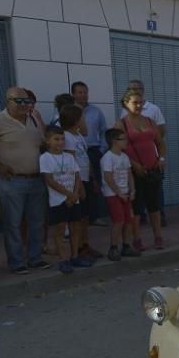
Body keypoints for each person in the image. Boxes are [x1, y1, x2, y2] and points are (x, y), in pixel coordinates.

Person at [0, 86, 48, 275]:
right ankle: (16, 262)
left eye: (27, 101)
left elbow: (44, 143)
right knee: (13, 224)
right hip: (12, 181)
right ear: (7, 101)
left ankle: (35, 258)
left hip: (36, 179)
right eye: (19, 101)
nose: (25, 105)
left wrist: (40, 121)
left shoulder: (33, 118)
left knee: (37, 222)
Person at [114, 90, 165, 251]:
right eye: (135, 102)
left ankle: (158, 237)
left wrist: (161, 159)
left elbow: (160, 142)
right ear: (126, 104)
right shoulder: (121, 124)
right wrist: (134, 164)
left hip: (152, 168)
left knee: (154, 206)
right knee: (136, 207)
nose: (138, 105)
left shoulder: (150, 121)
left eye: (141, 102)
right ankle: (136, 238)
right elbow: (118, 148)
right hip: (132, 171)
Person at [39, 126, 89, 275]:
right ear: (48, 141)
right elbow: (49, 180)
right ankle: (63, 259)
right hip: (58, 200)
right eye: (56, 139)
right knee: (60, 229)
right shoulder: (45, 158)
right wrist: (68, 194)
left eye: (62, 139)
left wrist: (75, 193)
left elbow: (77, 176)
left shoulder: (69, 157)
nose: (60, 142)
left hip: (73, 199)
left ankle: (74, 256)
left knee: (75, 227)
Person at [122, 79, 168, 227]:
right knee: (136, 196)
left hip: (152, 161)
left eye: (136, 88)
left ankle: (160, 217)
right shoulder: (123, 115)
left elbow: (161, 133)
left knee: (155, 194)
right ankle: (139, 221)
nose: (134, 90)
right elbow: (122, 143)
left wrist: (160, 157)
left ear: (143, 89)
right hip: (134, 164)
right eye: (130, 88)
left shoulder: (153, 109)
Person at [59, 104, 100, 263]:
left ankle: (85, 245)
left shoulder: (78, 135)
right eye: (82, 118)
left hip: (86, 178)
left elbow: (85, 159)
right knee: (78, 217)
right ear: (75, 120)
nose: (85, 121)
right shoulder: (67, 137)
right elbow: (71, 163)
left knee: (85, 216)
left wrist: (93, 178)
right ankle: (77, 250)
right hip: (77, 182)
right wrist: (80, 185)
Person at [71, 81, 109, 225]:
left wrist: (101, 150)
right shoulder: (69, 111)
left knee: (95, 185)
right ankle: (81, 217)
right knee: (78, 184)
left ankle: (94, 216)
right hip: (74, 151)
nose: (83, 95)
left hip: (93, 151)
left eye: (85, 92)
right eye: (80, 92)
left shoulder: (96, 111)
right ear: (73, 94)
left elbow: (104, 131)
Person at [100, 128, 140, 261]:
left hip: (125, 192)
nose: (126, 141)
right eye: (123, 139)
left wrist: (132, 190)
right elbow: (108, 177)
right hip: (113, 194)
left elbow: (129, 175)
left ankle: (126, 245)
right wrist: (118, 193)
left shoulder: (124, 157)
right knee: (119, 221)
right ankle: (113, 247)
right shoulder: (108, 157)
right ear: (114, 141)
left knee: (129, 220)